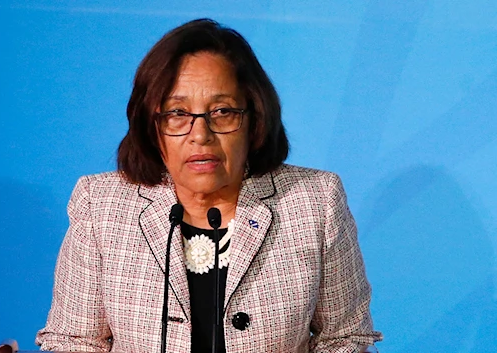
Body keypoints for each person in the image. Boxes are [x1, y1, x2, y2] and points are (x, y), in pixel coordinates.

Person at [36, 18, 382, 353]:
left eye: (222, 112)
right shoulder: (102, 206)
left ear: (254, 119)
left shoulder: (314, 202)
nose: (200, 135)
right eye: (177, 114)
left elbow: (344, 339)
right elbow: (76, 341)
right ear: (151, 126)